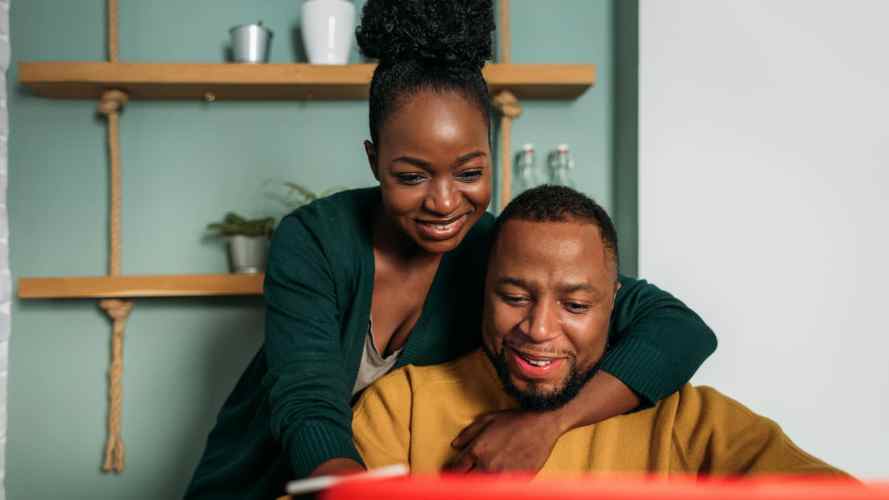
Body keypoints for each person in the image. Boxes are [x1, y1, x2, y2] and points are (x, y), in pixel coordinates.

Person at [185, 1, 717, 498]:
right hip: (256, 485)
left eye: (470, 173)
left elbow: (679, 328)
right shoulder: (315, 240)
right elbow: (306, 400)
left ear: (492, 154)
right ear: (374, 161)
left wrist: (548, 424)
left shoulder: (500, 255)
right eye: (412, 175)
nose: (443, 202)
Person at [352, 186, 845, 477]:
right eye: (515, 297)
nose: (540, 329)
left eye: (576, 304)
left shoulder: (688, 421)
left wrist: (550, 425)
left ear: (615, 303)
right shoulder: (402, 410)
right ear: (484, 290)